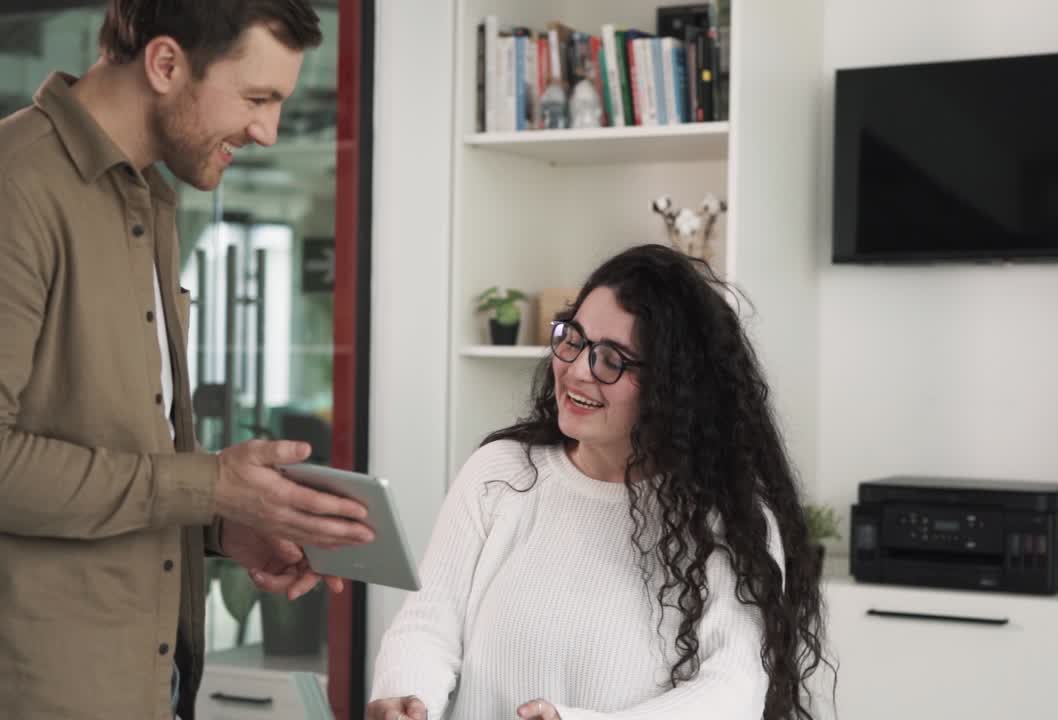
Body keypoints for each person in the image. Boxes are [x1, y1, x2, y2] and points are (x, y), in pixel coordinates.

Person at [0, 2, 374, 719]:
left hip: (155, 684)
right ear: (166, 64)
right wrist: (208, 486)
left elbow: (121, 451)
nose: (266, 130)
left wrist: (224, 522)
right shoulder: (17, 187)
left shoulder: (154, 201)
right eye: (256, 98)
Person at [368, 244, 832, 720]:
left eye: (612, 360)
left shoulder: (730, 519)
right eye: (574, 338)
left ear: (674, 387)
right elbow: (429, 621)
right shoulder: (500, 474)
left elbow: (734, 691)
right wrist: (409, 696)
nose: (576, 370)